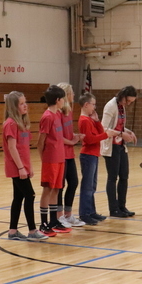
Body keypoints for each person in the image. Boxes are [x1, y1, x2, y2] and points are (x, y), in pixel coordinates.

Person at [2, 92, 48, 241]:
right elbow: (12, 148)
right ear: (14, 107)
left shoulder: (22, 123)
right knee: (30, 194)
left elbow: (25, 149)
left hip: (23, 166)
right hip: (16, 167)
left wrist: (29, 167)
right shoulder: (10, 124)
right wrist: (21, 168)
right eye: (21, 103)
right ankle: (32, 230)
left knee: (19, 197)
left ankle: (13, 231)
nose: (25, 105)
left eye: (25, 102)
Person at [77, 93, 116, 225]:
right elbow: (89, 139)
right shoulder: (83, 120)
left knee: (92, 185)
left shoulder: (90, 120)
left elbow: (99, 133)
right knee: (87, 186)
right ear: (86, 105)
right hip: (88, 155)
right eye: (93, 104)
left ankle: (91, 211)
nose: (94, 107)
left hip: (93, 155)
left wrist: (97, 121)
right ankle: (84, 213)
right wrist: (105, 135)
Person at [38, 85, 72, 236]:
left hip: (60, 157)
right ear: (58, 100)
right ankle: (43, 223)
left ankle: (53, 221)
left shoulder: (57, 114)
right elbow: (40, 141)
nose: (64, 101)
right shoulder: (47, 117)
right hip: (50, 159)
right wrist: (43, 159)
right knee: (47, 189)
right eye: (63, 98)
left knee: (57, 189)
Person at [101, 86, 138, 217]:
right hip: (111, 146)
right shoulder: (111, 106)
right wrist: (122, 134)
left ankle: (122, 206)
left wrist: (128, 132)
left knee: (124, 176)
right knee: (112, 178)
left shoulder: (121, 107)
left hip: (120, 145)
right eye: (128, 101)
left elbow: (119, 125)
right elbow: (104, 128)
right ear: (123, 96)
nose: (128, 104)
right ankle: (114, 209)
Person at [55, 83, 84, 228]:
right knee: (60, 185)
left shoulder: (69, 112)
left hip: (69, 153)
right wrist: (71, 141)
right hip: (61, 153)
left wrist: (76, 136)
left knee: (73, 182)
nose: (74, 95)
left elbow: (67, 134)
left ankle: (68, 214)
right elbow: (58, 137)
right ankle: (59, 216)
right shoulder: (58, 113)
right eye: (72, 93)